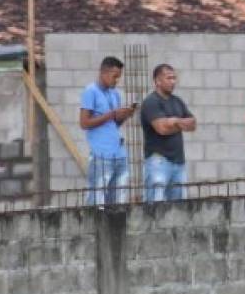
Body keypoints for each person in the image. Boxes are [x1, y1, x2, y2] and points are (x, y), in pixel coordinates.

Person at [79, 56, 136, 208]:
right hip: (101, 154)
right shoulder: (90, 91)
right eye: (114, 76)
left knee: (119, 200)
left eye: (119, 77)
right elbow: (84, 123)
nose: (116, 80)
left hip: (118, 153)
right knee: (98, 201)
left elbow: (114, 124)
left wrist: (124, 116)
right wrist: (112, 114)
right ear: (103, 72)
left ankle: (115, 229)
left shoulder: (114, 94)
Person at [139, 64, 196, 202]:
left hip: (178, 162)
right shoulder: (151, 102)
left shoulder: (178, 102)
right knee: (156, 207)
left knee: (179, 207)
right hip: (158, 161)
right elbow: (161, 129)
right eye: (169, 78)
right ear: (157, 81)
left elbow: (193, 124)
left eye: (174, 78)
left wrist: (174, 121)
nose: (173, 81)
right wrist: (180, 123)